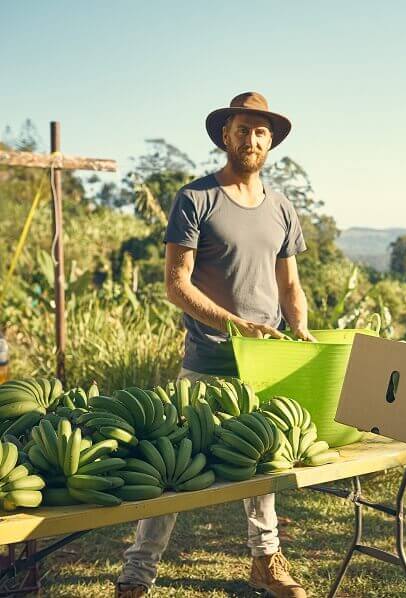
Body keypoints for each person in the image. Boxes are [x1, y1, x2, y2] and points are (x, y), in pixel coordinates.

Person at [115, 92, 313, 598]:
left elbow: (289, 286)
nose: (251, 139)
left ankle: (266, 563)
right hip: (206, 360)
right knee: (172, 470)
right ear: (226, 135)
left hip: (264, 364)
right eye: (243, 129)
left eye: (261, 131)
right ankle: (137, 575)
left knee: (264, 464)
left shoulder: (282, 207)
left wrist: (302, 328)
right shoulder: (195, 198)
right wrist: (233, 324)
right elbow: (176, 284)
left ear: (271, 142)